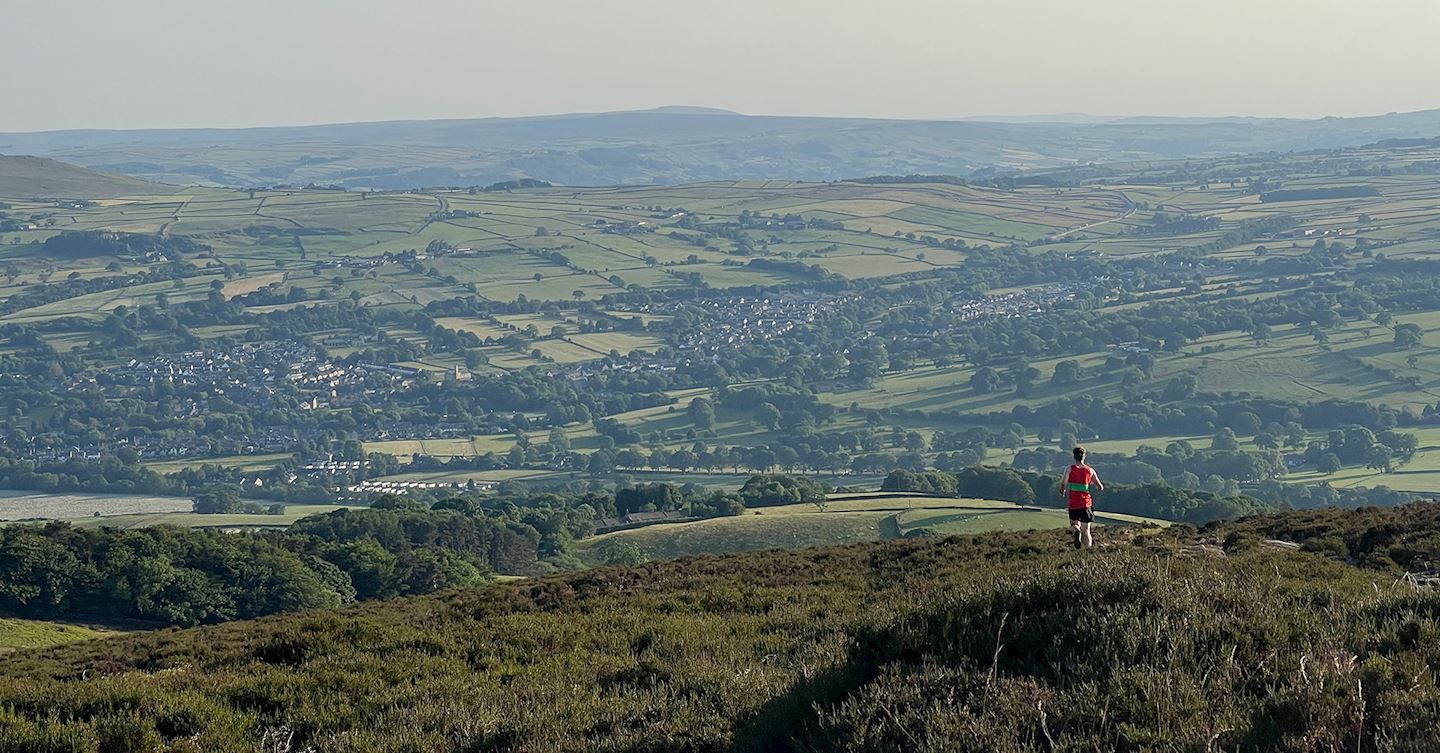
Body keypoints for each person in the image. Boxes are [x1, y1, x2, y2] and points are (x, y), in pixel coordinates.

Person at [1063, 446, 1102, 549]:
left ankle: (1076, 529)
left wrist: (1063, 490)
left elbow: (1064, 483)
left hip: (1073, 502)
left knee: (1074, 523)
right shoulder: (1090, 470)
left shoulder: (1069, 469)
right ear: (1084, 456)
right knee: (1086, 530)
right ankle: (1088, 550)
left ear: (1074, 457)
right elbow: (1100, 487)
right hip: (1086, 503)